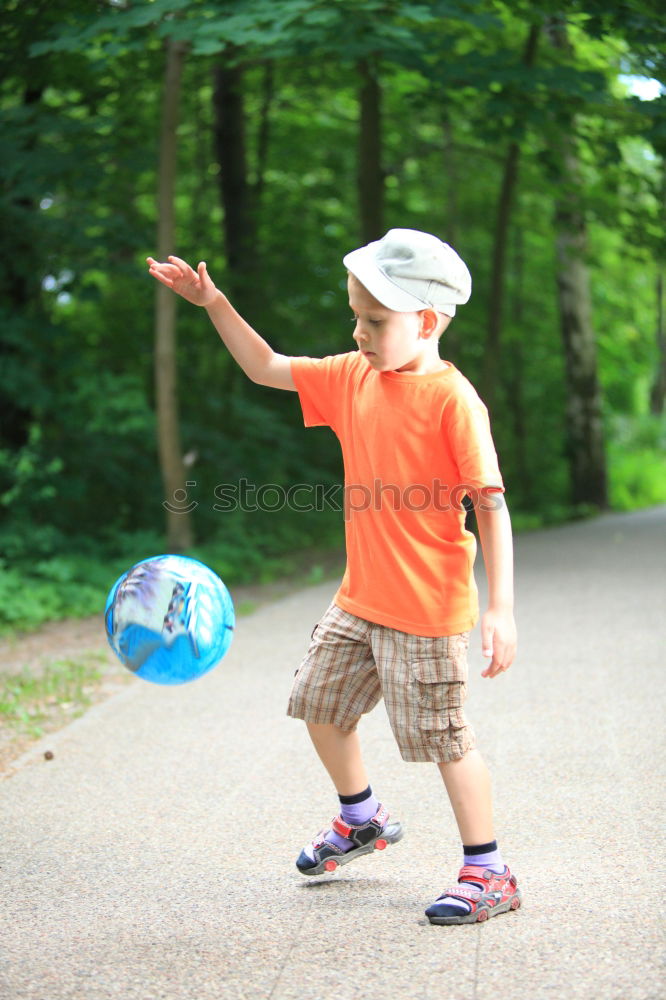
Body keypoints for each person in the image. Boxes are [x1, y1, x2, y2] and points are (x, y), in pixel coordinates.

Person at [147, 228, 521, 925]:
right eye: (355, 315)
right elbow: (265, 367)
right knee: (318, 703)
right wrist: (214, 302)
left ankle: (489, 869)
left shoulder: (453, 401)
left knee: (443, 740)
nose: (359, 331)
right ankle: (363, 819)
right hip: (360, 598)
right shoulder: (354, 375)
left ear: (427, 322)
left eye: (375, 321)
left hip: (427, 609)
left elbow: (490, 504)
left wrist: (501, 608)